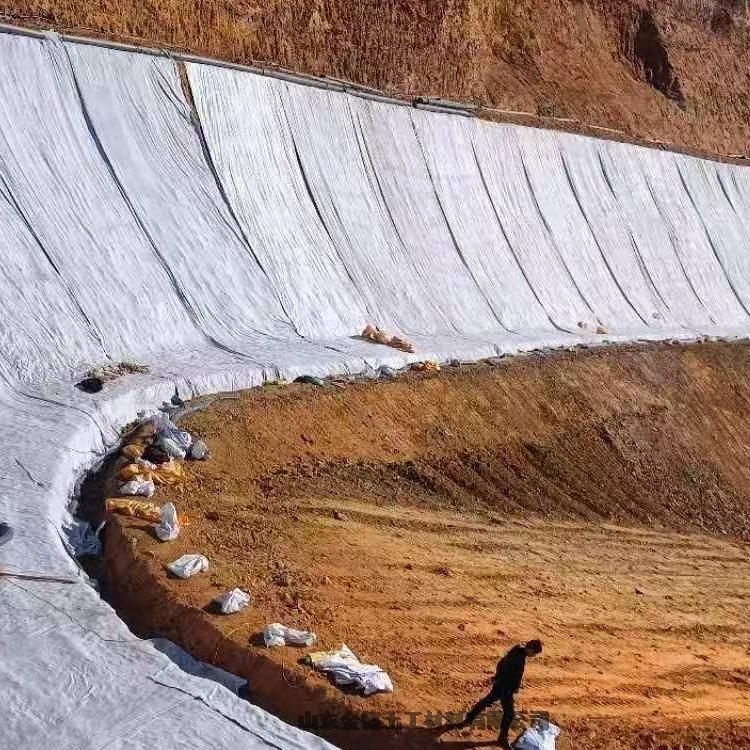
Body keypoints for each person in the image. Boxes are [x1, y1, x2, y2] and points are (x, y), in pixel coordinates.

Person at [460, 639, 543, 749]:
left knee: (487, 701)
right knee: (509, 714)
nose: (534, 655)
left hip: (501, 685)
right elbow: (508, 672)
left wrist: (497, 678)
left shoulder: (517, 650)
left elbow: (501, 663)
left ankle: (468, 720)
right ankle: (502, 739)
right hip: (505, 688)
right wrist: (508, 686)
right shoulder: (518, 659)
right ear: (531, 650)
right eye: (535, 653)